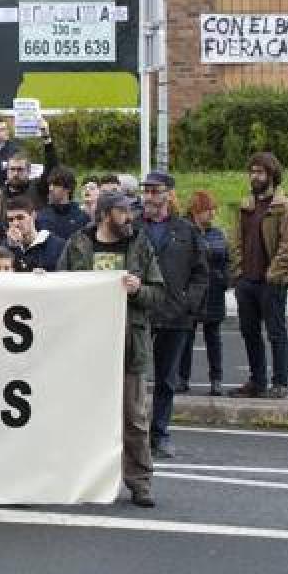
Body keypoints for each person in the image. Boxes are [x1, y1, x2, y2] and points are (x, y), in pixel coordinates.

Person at [58, 191, 165, 509]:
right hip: (87, 344)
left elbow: (159, 294)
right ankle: (81, 479)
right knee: (83, 415)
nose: (130, 217)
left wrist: (138, 290)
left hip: (128, 344)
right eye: (123, 212)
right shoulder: (78, 243)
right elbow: (59, 285)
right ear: (105, 214)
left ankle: (140, 482)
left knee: (134, 417)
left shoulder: (140, 244)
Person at [137, 171, 209, 460]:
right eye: (147, 191)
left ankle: (160, 433)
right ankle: (134, 432)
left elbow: (201, 273)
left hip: (175, 314)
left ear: (169, 194)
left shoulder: (186, 230)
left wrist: (188, 303)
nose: (150, 197)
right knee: (134, 377)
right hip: (139, 311)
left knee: (167, 379)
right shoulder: (133, 227)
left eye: (155, 191)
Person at [229, 152, 288, 399]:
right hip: (246, 282)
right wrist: (238, 274)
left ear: (272, 175)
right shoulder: (246, 205)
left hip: (272, 282)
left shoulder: (285, 206)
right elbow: (236, 240)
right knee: (249, 333)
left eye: (260, 172)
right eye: (252, 172)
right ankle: (257, 382)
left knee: (276, 333)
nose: (254, 176)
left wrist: (273, 275)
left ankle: (280, 383)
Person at [180, 190, 229, 397]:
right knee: (186, 336)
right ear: (196, 210)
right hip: (193, 290)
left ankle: (216, 380)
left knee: (213, 337)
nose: (212, 213)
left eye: (213, 209)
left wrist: (225, 279)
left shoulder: (217, 233)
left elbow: (227, 258)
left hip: (215, 291)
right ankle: (182, 377)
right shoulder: (185, 231)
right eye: (208, 209)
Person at [5, 197, 66, 273]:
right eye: (10, 220)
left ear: (33, 216)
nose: (15, 224)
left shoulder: (57, 245)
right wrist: (14, 248)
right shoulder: (5, 247)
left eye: (20, 218)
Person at [35, 166, 90, 241]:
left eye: (56, 185)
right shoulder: (40, 217)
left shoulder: (81, 217)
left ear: (68, 188)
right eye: (50, 184)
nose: (51, 188)